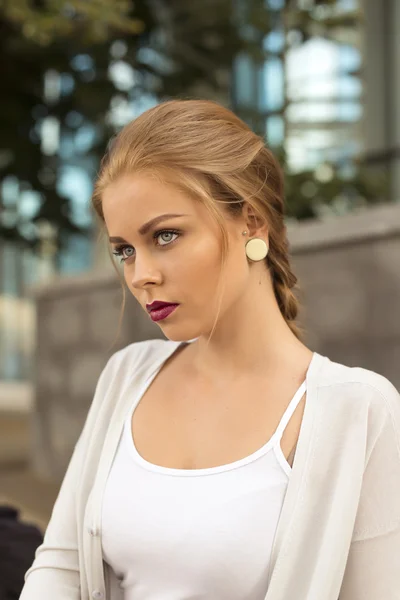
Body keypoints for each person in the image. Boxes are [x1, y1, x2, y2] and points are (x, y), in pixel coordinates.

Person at [20, 99, 400, 600]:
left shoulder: (358, 410)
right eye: (125, 250)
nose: (140, 275)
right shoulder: (127, 375)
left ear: (252, 223)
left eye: (166, 235)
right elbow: (62, 565)